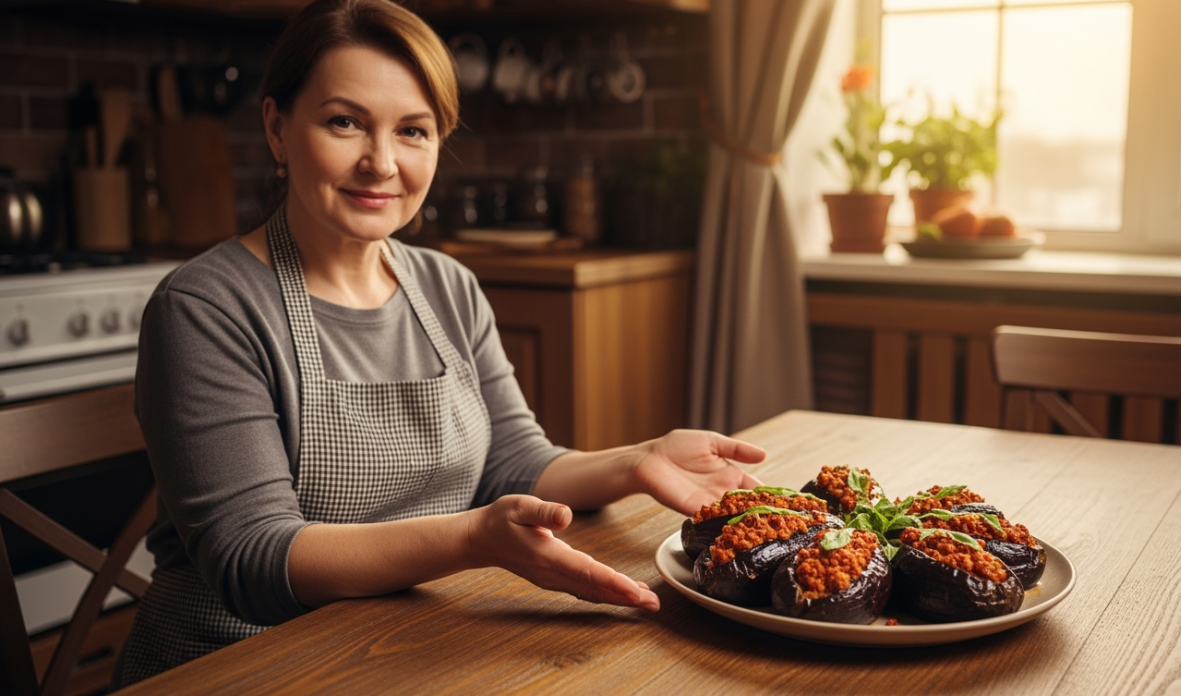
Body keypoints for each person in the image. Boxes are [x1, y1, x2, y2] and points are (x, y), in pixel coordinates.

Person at [113, 0, 766, 687]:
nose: (381, 163)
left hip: (404, 648)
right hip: (237, 665)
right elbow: (253, 559)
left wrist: (637, 460)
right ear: (277, 128)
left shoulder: (446, 285)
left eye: (413, 131)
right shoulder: (207, 308)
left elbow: (513, 461)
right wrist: (473, 538)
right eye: (345, 122)